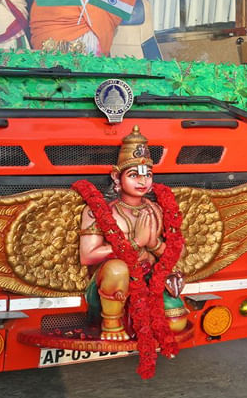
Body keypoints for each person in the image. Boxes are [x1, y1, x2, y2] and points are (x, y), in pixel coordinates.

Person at [78, 126, 187, 341]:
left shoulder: (156, 209)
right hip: (110, 283)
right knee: (118, 269)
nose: (142, 181)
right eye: (134, 174)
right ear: (116, 177)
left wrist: (154, 243)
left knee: (176, 322)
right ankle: (111, 323)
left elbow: (178, 253)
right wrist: (136, 243)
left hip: (149, 278)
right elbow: (87, 256)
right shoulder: (98, 211)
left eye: (148, 175)